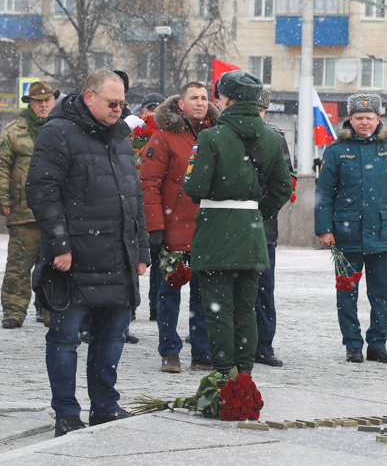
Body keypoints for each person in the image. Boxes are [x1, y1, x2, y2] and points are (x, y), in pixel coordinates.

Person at [26, 69, 149, 436]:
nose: (118, 109)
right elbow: (41, 191)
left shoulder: (121, 137)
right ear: (90, 96)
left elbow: (134, 198)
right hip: (74, 259)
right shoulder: (57, 132)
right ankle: (66, 412)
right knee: (64, 340)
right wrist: (60, 244)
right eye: (112, 103)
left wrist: (141, 249)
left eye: (122, 103)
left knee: (111, 338)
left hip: (117, 256)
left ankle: (105, 407)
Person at [182, 71, 292, 376]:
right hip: (252, 235)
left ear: (226, 100)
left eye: (218, 96)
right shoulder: (271, 137)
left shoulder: (211, 136)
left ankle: (222, 374)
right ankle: (244, 375)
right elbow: (283, 187)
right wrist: (257, 214)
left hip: (216, 232)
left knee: (218, 309)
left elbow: (194, 187)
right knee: (247, 307)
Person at [315, 93, 387, 364]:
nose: (364, 123)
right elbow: (324, 194)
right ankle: (352, 344)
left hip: (384, 232)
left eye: (369, 118)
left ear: (378, 119)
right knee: (347, 291)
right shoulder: (336, 151)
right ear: (350, 119)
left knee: (382, 292)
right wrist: (324, 229)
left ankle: (377, 344)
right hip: (346, 234)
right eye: (359, 118)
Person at [140, 82, 217, 373]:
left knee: (204, 297)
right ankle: (170, 351)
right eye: (193, 98)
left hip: (206, 230)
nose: (200, 102)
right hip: (172, 231)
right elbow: (149, 185)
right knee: (168, 295)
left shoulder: (216, 135)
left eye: (204, 98)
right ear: (180, 104)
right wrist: (155, 228)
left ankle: (202, 352)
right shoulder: (164, 137)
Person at [0, 81, 58, 329]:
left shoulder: (62, 129)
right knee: (19, 265)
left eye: (47, 101)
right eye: (38, 101)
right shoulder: (13, 131)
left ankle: (51, 311)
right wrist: (2, 199)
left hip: (55, 211)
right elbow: (0, 167)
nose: (43, 105)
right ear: (29, 104)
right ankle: (13, 311)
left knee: (55, 266)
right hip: (23, 211)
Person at [254, 89, 295, 367]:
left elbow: (286, 181)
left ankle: (264, 345)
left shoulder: (275, 138)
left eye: (258, 109)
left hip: (264, 229)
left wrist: (262, 212)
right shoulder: (219, 135)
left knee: (264, 290)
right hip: (227, 228)